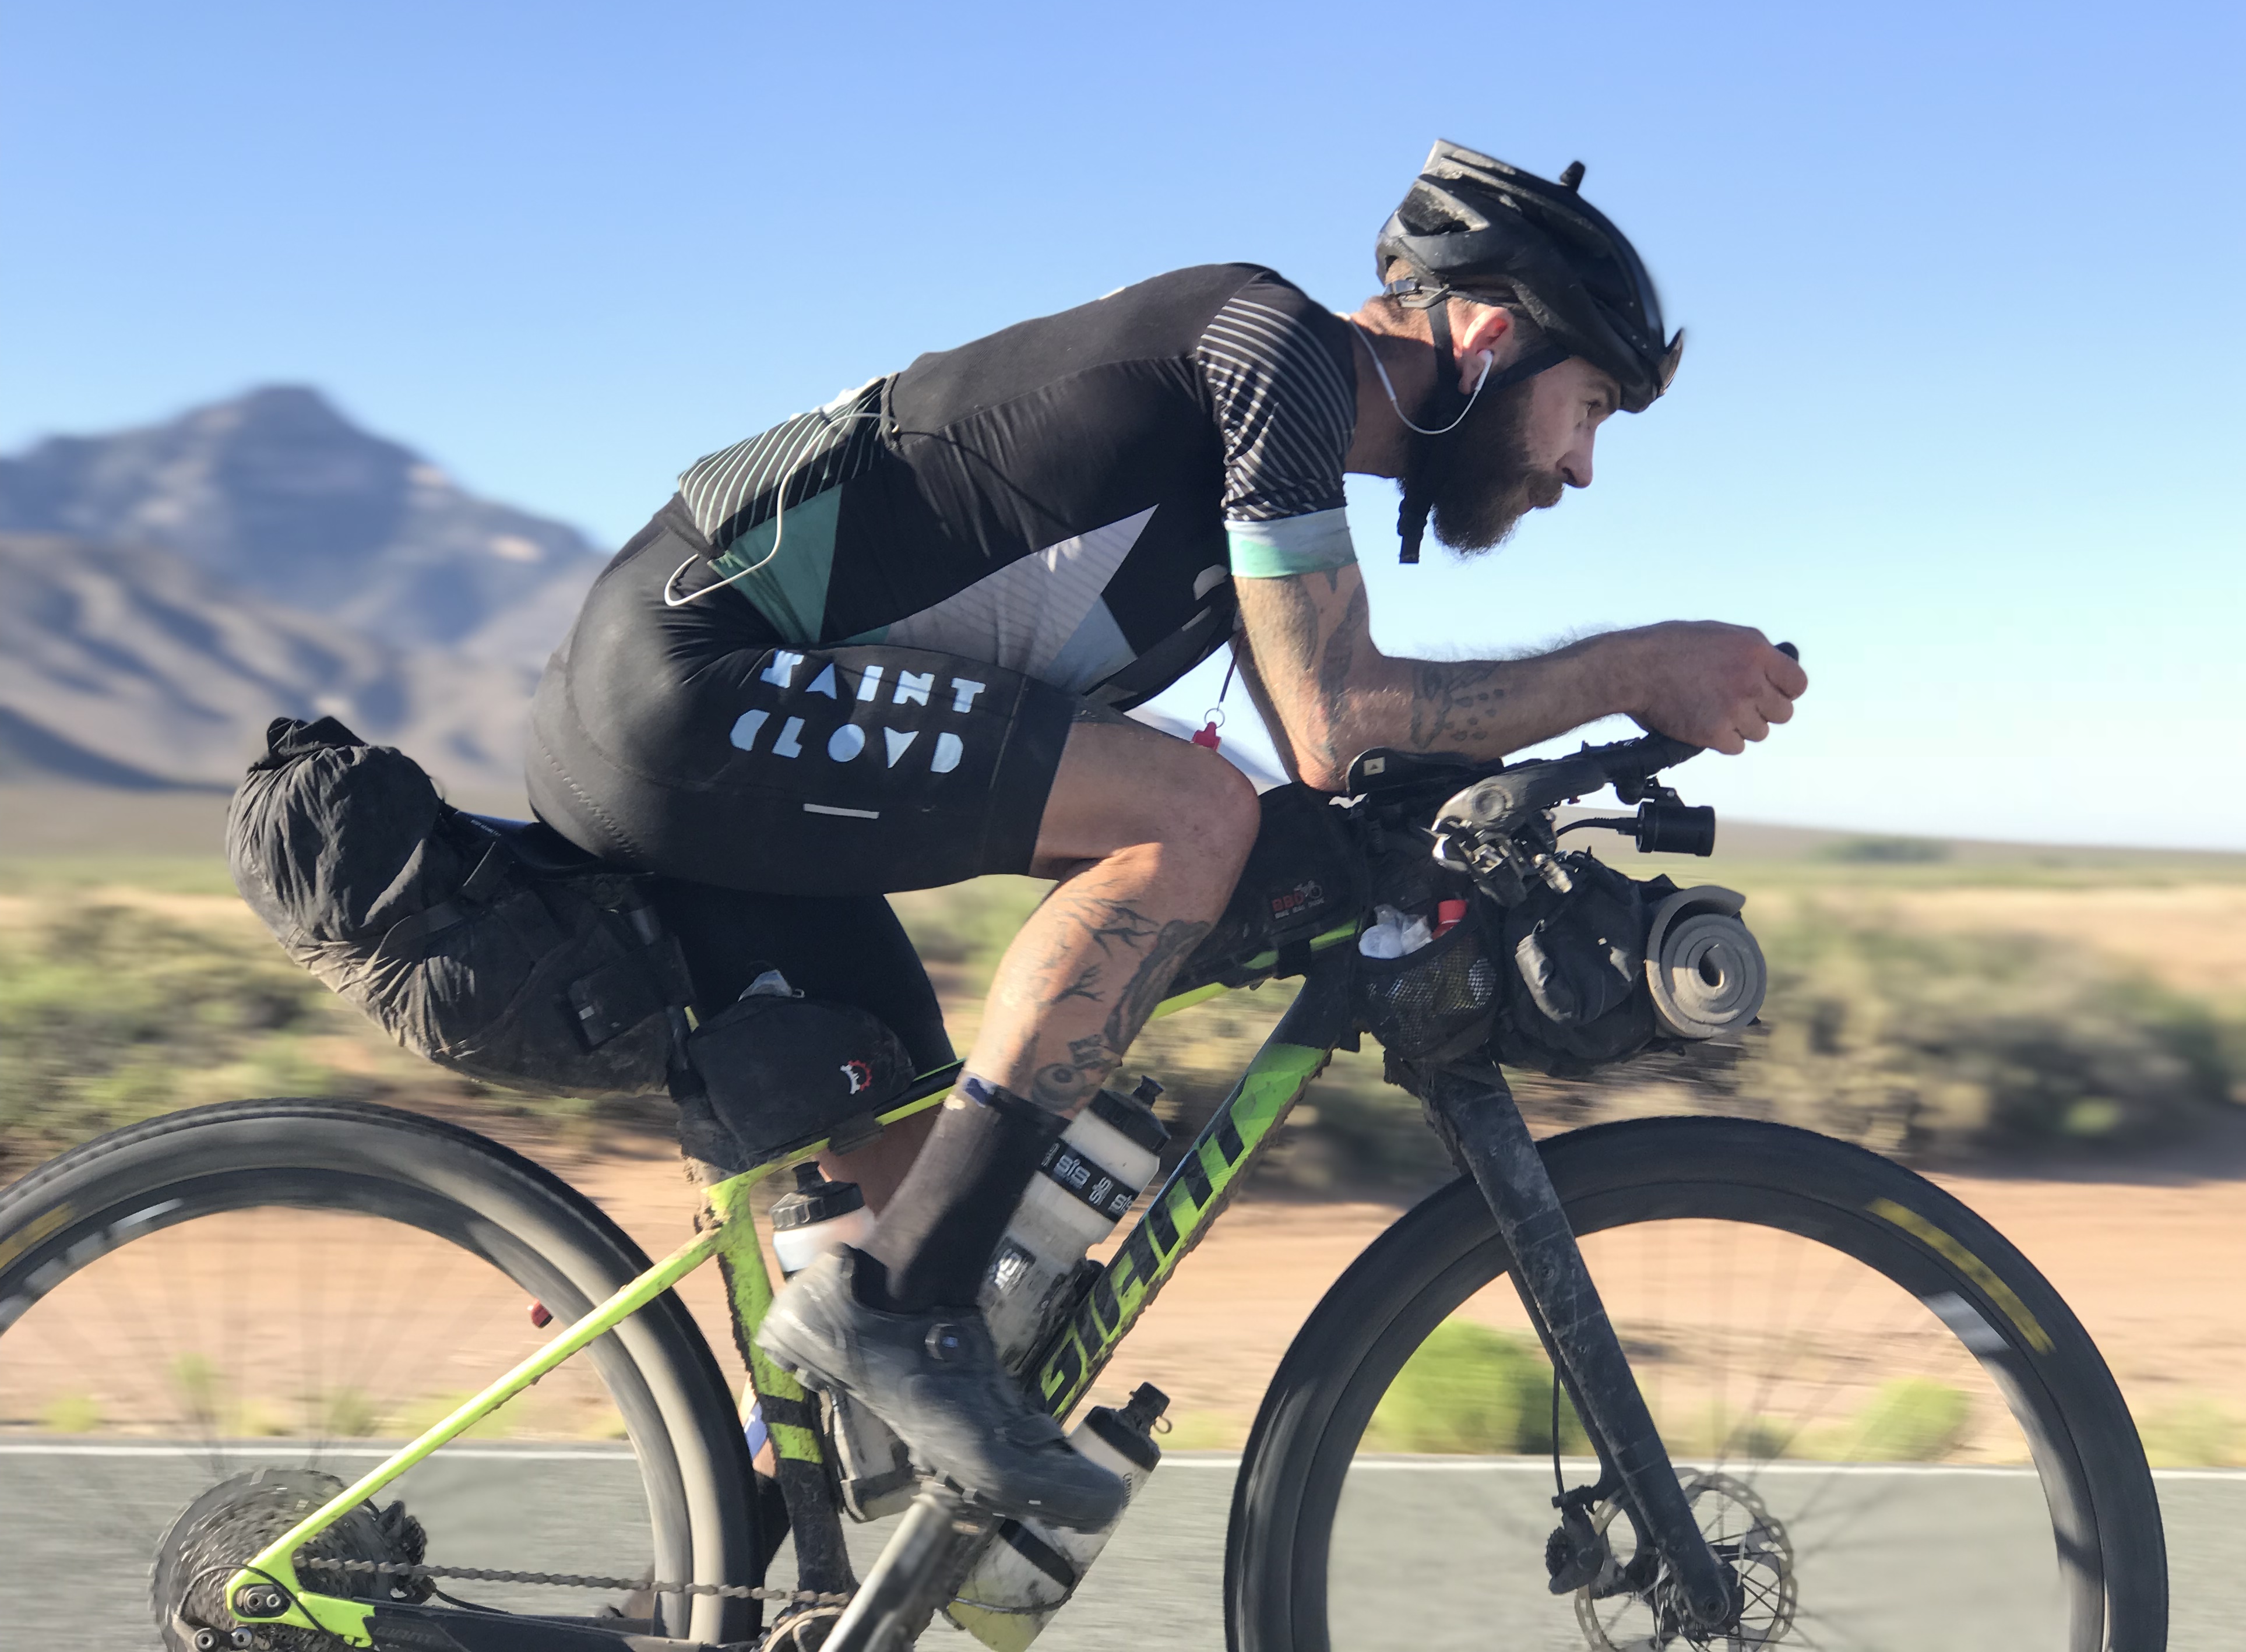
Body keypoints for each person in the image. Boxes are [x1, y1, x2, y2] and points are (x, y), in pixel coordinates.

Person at [526, 140, 1807, 1531]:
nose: (1582, 465)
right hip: (679, 694)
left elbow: (1349, 763)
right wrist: (1638, 663)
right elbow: (1340, 718)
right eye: (1592, 406)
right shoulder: (1271, 350)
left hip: (737, 744)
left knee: (915, 1227)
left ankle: (757, 1558)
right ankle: (904, 1309)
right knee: (1186, 815)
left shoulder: (1276, 455)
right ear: (1491, 338)